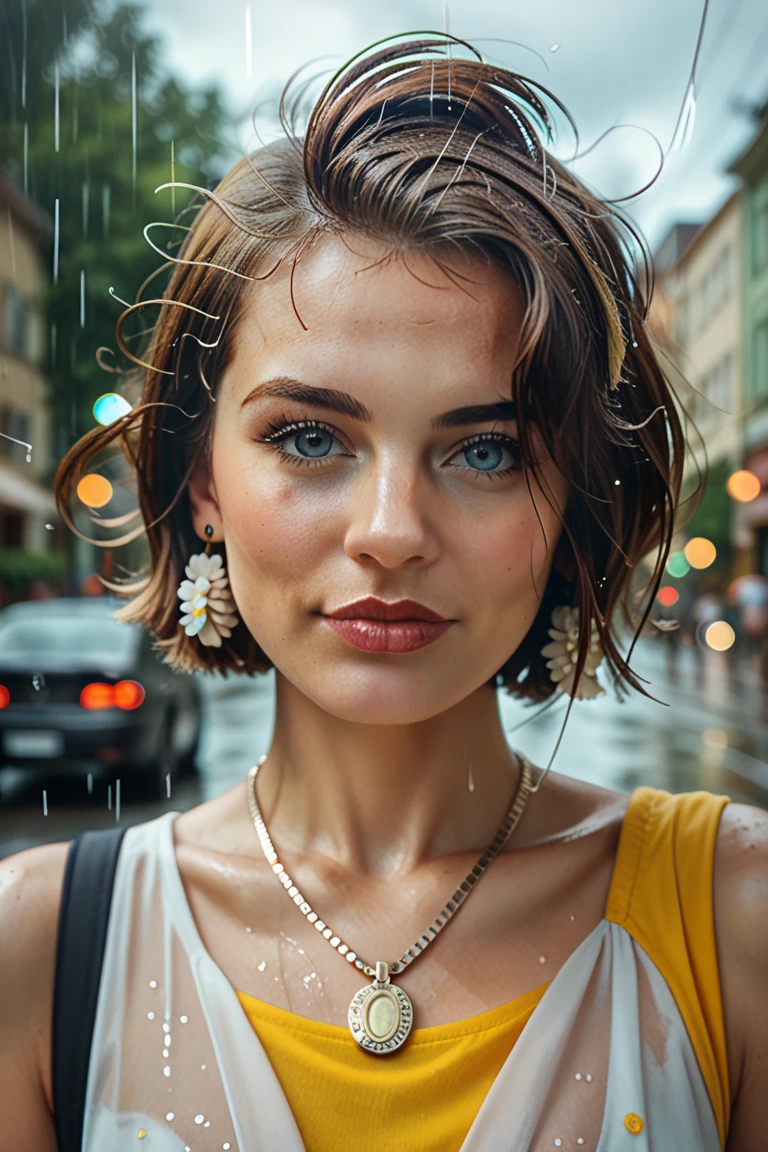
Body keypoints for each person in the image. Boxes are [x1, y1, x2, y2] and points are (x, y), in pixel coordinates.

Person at [2, 35, 767, 1152]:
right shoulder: (38, 950)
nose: (393, 533)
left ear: (571, 505)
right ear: (202, 478)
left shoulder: (735, 919)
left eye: (488, 452)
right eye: (311, 436)